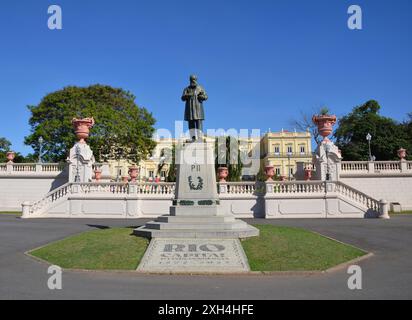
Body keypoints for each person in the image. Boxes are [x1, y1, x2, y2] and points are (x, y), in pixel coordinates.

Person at [181, 75, 208, 141]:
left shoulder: (200, 88)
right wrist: (187, 95)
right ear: (190, 80)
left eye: (194, 80)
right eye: (192, 80)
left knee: (199, 123)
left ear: (196, 80)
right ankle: (192, 138)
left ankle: (199, 138)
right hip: (190, 109)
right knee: (191, 123)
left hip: (198, 109)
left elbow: (206, 97)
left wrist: (201, 96)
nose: (193, 81)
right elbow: (182, 98)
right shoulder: (187, 89)